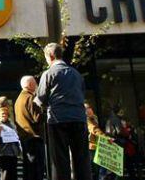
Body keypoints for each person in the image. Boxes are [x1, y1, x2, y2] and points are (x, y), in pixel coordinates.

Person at [35, 43, 91, 180]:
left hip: (58, 119)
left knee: (60, 160)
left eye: (46, 58)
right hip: (79, 118)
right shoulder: (76, 74)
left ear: (51, 56)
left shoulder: (48, 73)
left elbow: (41, 98)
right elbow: (82, 94)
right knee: (82, 159)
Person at [16, 75, 45, 180]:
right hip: (34, 138)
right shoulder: (30, 98)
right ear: (30, 85)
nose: (37, 85)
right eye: (35, 83)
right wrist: (46, 111)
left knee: (28, 169)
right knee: (36, 169)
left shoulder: (19, 99)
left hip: (25, 138)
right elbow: (38, 117)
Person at [0, 96, 20, 180]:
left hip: (13, 152)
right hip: (4, 152)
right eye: (3, 114)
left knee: (13, 174)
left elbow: (15, 136)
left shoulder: (11, 122)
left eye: (6, 114)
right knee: (6, 174)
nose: (4, 115)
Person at [86, 102, 107, 180]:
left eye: (89, 108)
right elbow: (94, 129)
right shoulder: (86, 119)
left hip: (96, 146)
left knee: (97, 169)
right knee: (95, 169)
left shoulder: (94, 118)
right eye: (86, 108)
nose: (89, 110)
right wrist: (105, 138)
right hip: (91, 147)